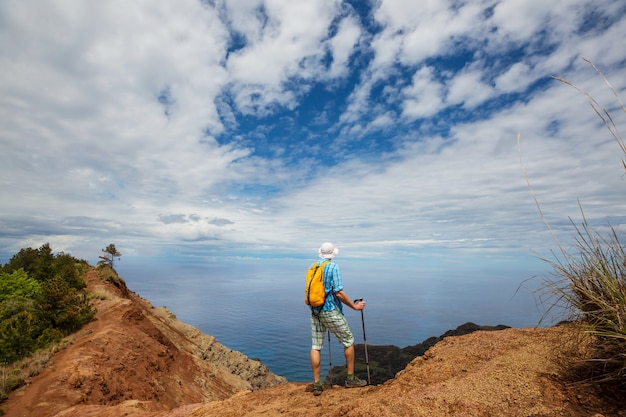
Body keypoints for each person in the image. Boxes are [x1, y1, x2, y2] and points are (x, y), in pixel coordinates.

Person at [309, 242, 367, 396]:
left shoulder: (314, 266)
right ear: (332, 254)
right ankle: (350, 379)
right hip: (329, 310)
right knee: (348, 340)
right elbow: (339, 292)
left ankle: (317, 384)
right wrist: (354, 307)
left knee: (316, 345)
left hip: (315, 310)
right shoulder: (333, 267)